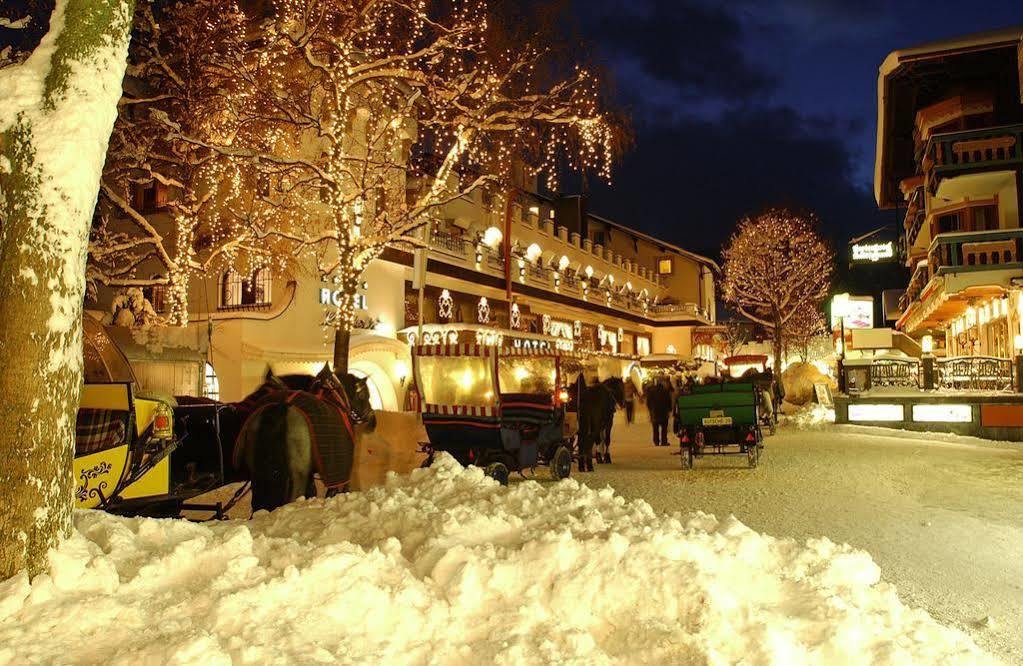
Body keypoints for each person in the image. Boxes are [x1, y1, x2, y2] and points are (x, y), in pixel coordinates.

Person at [646, 377, 672, 446]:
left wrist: (650, 409)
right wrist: (669, 409)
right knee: (664, 428)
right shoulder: (665, 391)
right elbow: (669, 401)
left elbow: (648, 402)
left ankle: (656, 441)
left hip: (654, 412)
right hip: (663, 412)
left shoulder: (651, 391)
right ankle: (664, 441)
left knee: (655, 428)